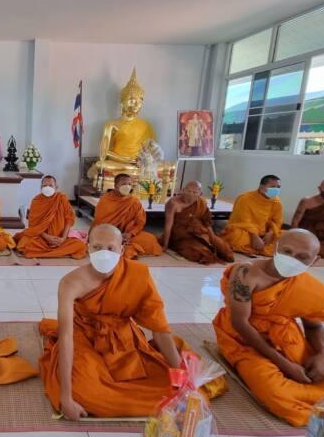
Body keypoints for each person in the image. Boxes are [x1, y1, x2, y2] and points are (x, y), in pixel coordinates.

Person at [39, 224, 224, 419]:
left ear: (122, 249)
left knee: (173, 386)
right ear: (88, 248)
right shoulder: (71, 282)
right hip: (84, 334)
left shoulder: (138, 274)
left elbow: (159, 328)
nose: (104, 254)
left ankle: (166, 394)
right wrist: (66, 397)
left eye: (110, 248)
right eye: (97, 247)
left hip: (123, 337)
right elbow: (66, 336)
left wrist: (182, 376)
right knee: (83, 391)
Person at [212, 229, 324, 427]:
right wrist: (285, 365)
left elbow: (313, 327)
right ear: (275, 247)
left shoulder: (310, 286)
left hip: (287, 337)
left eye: (302, 257)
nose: (292, 259)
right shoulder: (246, 273)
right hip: (244, 340)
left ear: (314, 261)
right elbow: (240, 323)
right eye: (287, 252)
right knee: (275, 392)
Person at [91, 173, 161, 259]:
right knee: (103, 242)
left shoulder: (133, 201)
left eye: (129, 184)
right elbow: (99, 223)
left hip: (127, 234)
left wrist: (130, 234)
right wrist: (116, 235)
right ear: (115, 185)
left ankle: (122, 248)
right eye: (124, 184)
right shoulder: (105, 200)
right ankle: (124, 249)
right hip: (108, 234)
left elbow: (140, 222)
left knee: (150, 239)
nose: (127, 186)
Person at [161, 181, 233, 264]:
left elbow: (207, 221)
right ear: (183, 190)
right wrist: (165, 245)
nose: (190, 194)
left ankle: (211, 246)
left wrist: (212, 237)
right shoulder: (173, 203)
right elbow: (168, 225)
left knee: (226, 252)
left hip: (200, 232)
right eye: (188, 191)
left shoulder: (201, 202)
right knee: (199, 253)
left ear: (200, 194)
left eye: (194, 192)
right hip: (182, 236)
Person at [14, 175, 86, 259]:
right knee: (24, 243)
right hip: (41, 238)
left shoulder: (61, 198)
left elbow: (69, 220)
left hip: (60, 237)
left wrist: (63, 238)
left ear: (56, 187)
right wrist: (47, 237)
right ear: (41, 187)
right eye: (45, 185)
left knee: (80, 245)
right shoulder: (37, 201)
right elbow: (33, 225)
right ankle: (58, 251)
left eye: (51, 185)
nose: (47, 188)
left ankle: (49, 251)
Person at [221, 175, 283, 256]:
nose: (276, 190)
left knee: (285, 236)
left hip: (265, 232)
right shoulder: (245, 199)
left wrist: (270, 233)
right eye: (273, 187)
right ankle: (261, 249)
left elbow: (277, 221)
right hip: (247, 232)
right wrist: (254, 237)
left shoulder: (276, 202)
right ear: (261, 187)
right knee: (236, 235)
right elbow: (243, 221)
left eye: (278, 187)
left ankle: (256, 248)